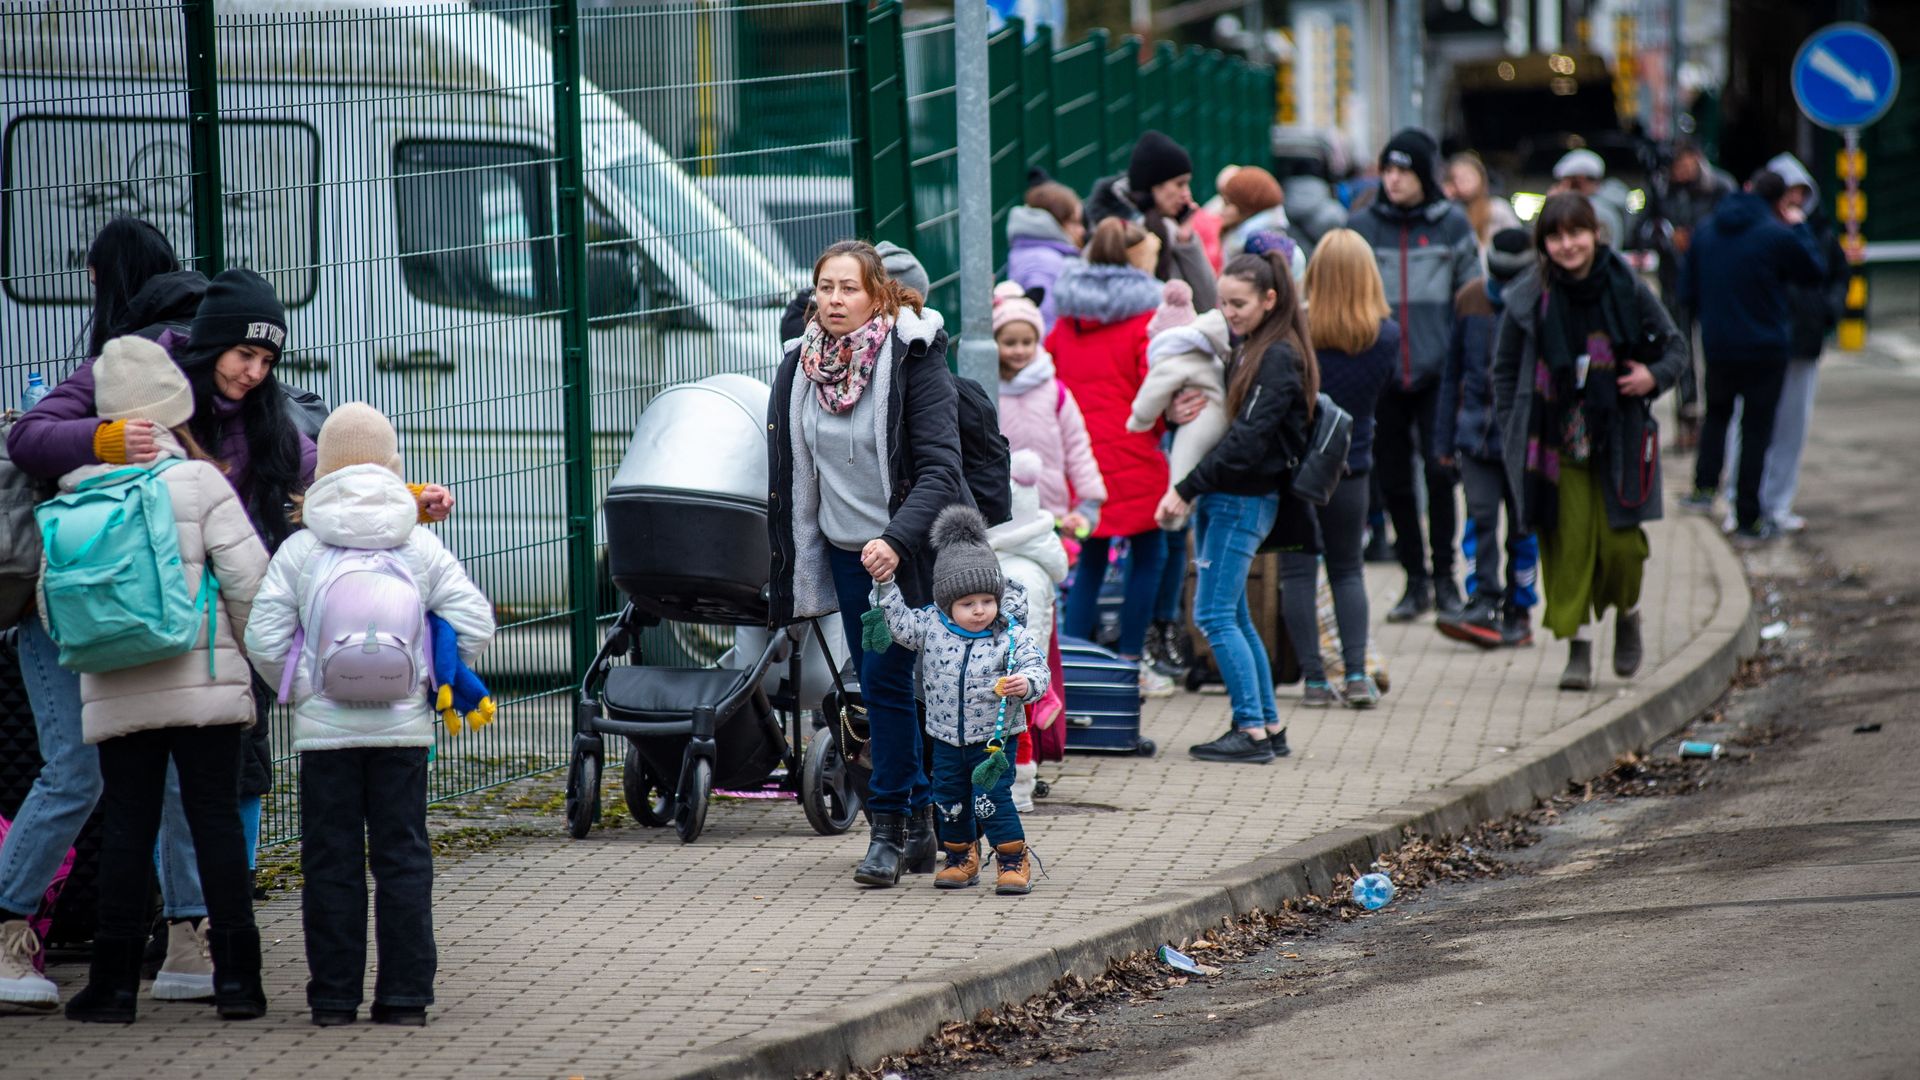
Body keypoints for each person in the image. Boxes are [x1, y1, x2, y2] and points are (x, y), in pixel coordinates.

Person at [245, 404, 494, 1028]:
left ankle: (332, 998)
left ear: (321, 469)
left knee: (329, 861)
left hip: (324, 738)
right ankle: (405, 998)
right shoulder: (418, 543)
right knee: (403, 856)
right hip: (402, 731)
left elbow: (264, 638)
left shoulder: (302, 548)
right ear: (393, 467)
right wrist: (424, 678)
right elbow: (475, 623)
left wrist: (305, 686)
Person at [47, 335, 269, 1024]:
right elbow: (251, 586)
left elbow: (61, 609)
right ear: (175, 411)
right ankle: (237, 981)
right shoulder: (200, 482)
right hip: (205, 680)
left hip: (118, 683)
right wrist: (268, 670)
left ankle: (111, 988)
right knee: (215, 825)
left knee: (127, 830)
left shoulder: (76, 491)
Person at [767, 240, 963, 888]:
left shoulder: (913, 360)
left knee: (914, 684)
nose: (833, 300)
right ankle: (908, 824)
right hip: (851, 556)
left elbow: (941, 469)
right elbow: (792, 468)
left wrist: (897, 540)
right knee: (881, 688)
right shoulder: (801, 365)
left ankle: (904, 823)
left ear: (878, 295)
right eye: (825, 287)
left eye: (849, 288)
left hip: (912, 555)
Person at [1492, 194, 1687, 691]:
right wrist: (1513, 428)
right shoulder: (1526, 296)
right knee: (1567, 547)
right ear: (1544, 244)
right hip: (1552, 445)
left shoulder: (1627, 285)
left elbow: (1675, 347)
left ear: (1595, 232)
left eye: (1576, 233)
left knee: (1623, 547)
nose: (1567, 245)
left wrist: (1652, 376)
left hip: (1618, 436)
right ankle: (1577, 647)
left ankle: (1629, 614)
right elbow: (1503, 372)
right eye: (1555, 237)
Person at [1158, 250, 1318, 762]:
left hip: (1239, 500)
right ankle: (1267, 723)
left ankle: (1249, 730)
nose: (1228, 312)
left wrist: (1186, 486)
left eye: (1240, 303)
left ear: (1271, 300)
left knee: (1211, 614)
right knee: (1234, 614)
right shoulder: (1256, 344)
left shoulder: (1277, 355)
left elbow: (1248, 439)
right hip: (1232, 497)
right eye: (1223, 302)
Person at [870, 506, 1048, 895]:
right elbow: (898, 624)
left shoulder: (1010, 636)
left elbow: (1038, 669)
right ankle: (960, 857)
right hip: (946, 737)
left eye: (987, 600)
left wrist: (1025, 683)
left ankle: (1012, 860)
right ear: (947, 603)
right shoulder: (931, 626)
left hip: (995, 740)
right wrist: (885, 586)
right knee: (948, 798)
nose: (980, 610)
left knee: (991, 798)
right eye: (968, 604)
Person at [1347, 128, 1479, 622]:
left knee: (1441, 474)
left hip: (1438, 376)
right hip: (1379, 377)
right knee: (1395, 480)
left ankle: (1446, 579)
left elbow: (1472, 304)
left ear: (1425, 175)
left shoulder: (1453, 226)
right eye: (1388, 169)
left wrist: (1469, 371)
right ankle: (1414, 580)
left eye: (1404, 170)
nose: (1394, 179)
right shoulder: (1361, 226)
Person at [1047, 219, 1176, 696]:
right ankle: (1128, 660)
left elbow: (1050, 378)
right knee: (1150, 554)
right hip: (1135, 451)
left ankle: (1077, 662)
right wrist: (1157, 432)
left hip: (1081, 458)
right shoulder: (1145, 318)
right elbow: (1156, 388)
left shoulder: (1064, 319)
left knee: (1092, 558)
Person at [1282, 229, 1398, 708]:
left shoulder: (1296, 331)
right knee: (1349, 570)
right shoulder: (1385, 336)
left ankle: (1313, 680)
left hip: (1298, 470)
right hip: (1354, 467)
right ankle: (1356, 675)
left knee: (1298, 571)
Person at [1678, 169, 1825, 540]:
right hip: (1765, 348)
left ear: (1746, 188)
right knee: (1756, 431)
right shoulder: (1776, 234)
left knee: (1718, 415)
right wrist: (1799, 227)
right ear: (1779, 202)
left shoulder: (1707, 230)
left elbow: (1686, 291)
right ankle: (1748, 518)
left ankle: (1704, 488)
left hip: (1718, 345)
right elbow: (1813, 271)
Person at [1436, 227, 1538, 648]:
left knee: (1521, 526)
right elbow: (1451, 374)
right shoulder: (1471, 299)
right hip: (1474, 436)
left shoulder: (1539, 302)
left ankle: (1519, 608)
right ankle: (1483, 599)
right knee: (1480, 519)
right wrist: (1443, 442)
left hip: (1523, 440)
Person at [1751, 152, 1849, 532]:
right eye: (1786, 192)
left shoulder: (1817, 231)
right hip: (1765, 342)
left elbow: (1836, 273)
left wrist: (1828, 310)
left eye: (1799, 192)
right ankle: (1745, 501)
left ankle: (1778, 504)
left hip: (1803, 340)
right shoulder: (1761, 233)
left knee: (1792, 425)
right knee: (1755, 425)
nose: (1794, 200)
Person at [988, 451, 1070, 813]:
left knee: (1010, 725)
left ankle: (1018, 793)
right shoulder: (1039, 558)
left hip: (1004, 666)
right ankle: (1018, 788)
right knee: (1017, 724)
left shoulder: (1005, 568)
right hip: (1025, 664)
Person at [992, 281, 1105, 533]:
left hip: (1052, 511)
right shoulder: (987, 392)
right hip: (1004, 511)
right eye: (1010, 343)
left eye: (1027, 342)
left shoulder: (1055, 392)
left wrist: (1089, 500)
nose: (1019, 350)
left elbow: (1076, 445)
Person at [1651, 140, 1736, 445]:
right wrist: (1667, 239)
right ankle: (1688, 417)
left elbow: (1732, 227)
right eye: (1677, 166)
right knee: (1680, 349)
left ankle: (1716, 417)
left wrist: (1698, 238)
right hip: (1675, 280)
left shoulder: (1720, 187)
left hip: (1712, 281)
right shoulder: (1662, 189)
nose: (1682, 171)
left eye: (1687, 164)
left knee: (1716, 348)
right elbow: (1643, 228)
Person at [1127, 280, 1230, 533]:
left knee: (1184, 457)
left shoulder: (1173, 358)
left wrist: (1139, 420)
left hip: (1203, 415)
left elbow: (1153, 393)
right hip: (1219, 409)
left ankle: (1173, 514)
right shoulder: (1204, 349)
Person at [1085, 130, 1218, 311]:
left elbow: (1207, 303)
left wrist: (1186, 240)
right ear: (1154, 186)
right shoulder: (1116, 234)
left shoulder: (1170, 229)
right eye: (1179, 184)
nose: (1186, 193)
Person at [1006, 182, 1086, 332]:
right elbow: (1046, 322)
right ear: (1057, 222)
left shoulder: (1033, 250)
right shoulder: (1043, 261)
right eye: (1075, 222)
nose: (1082, 230)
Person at [1218, 166, 1307, 280]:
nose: (1221, 211)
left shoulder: (1259, 248)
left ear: (1247, 206)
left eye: (1227, 203)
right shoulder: (1241, 240)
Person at [1550, 148, 1628, 249]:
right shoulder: (1605, 204)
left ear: (1579, 181)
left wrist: (1552, 205)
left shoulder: (1592, 211)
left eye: (1565, 182)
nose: (1560, 188)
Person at [1444, 151, 1520, 245]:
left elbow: (1518, 241)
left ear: (1481, 177)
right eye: (1456, 178)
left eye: (1467, 176)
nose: (1461, 182)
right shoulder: (1451, 213)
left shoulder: (1498, 209)